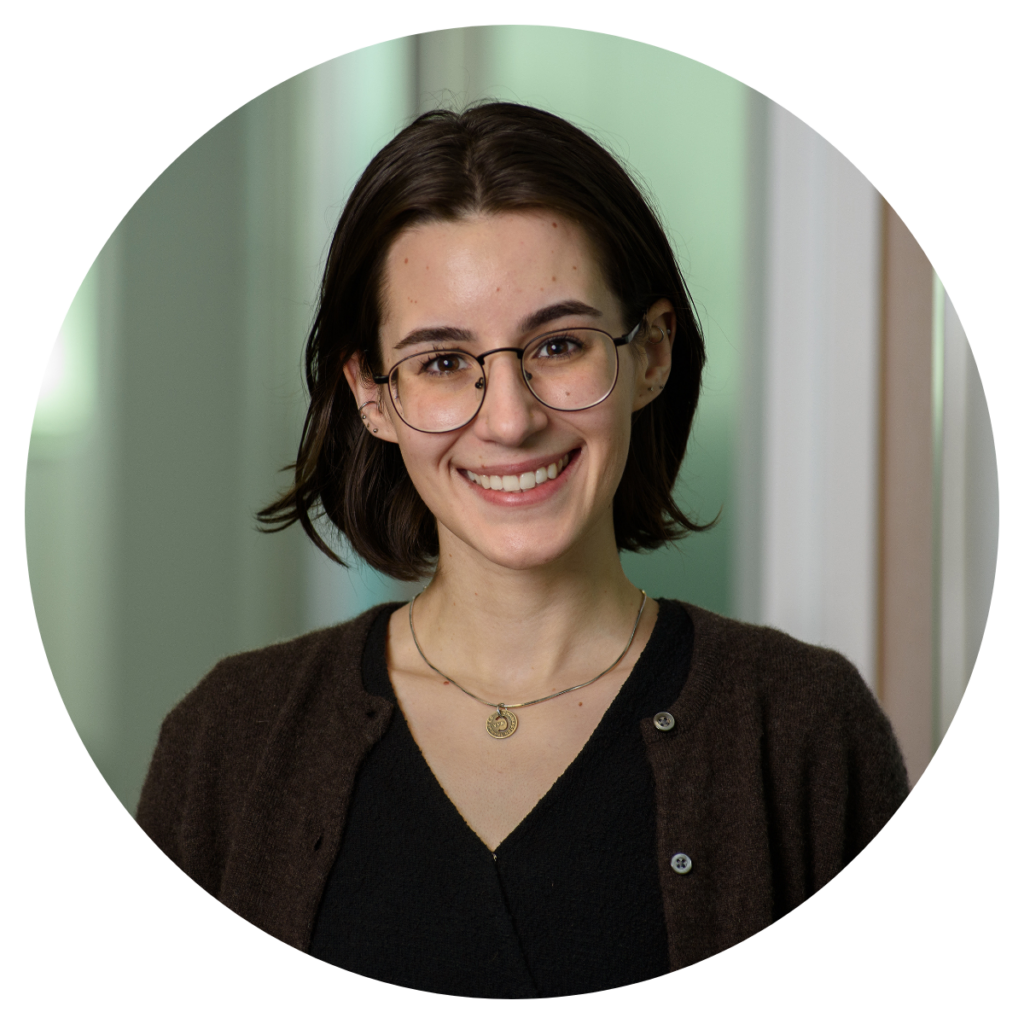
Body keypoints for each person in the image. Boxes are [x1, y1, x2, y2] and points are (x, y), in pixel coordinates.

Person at [137, 103, 908, 998]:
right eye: (439, 361)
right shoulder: (227, 741)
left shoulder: (807, 730)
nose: (510, 419)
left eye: (559, 345)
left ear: (650, 354)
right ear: (371, 394)